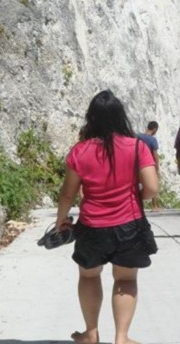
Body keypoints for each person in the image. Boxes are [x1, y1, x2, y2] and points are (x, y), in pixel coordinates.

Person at [56, 90, 159, 344]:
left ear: (91, 118)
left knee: (89, 276)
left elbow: (67, 194)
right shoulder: (138, 147)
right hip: (129, 224)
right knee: (125, 279)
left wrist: (61, 220)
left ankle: (91, 334)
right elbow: (152, 188)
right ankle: (122, 338)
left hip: (92, 226)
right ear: (120, 116)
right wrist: (137, 197)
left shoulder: (80, 151)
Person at [138, 121, 162, 211]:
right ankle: (154, 206)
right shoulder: (152, 140)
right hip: (149, 163)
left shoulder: (138, 136)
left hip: (137, 163)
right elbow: (155, 154)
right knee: (153, 183)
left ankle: (139, 205)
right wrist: (157, 168)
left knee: (138, 184)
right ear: (155, 129)